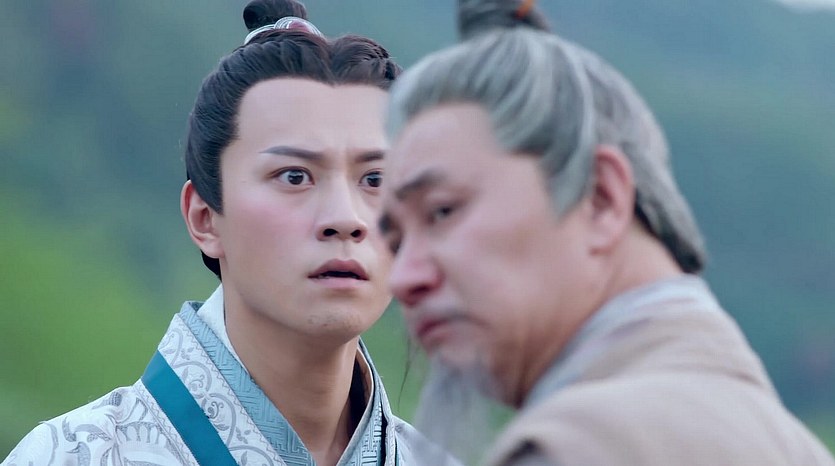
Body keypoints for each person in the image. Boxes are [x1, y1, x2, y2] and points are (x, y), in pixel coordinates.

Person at [377, 0, 835, 464]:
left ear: (600, 198)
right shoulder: (793, 446)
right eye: (396, 242)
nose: (404, 278)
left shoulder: (575, 448)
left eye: (442, 211)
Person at [2, 1, 453, 465]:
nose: (345, 217)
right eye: (294, 176)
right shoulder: (74, 455)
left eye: (376, 179)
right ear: (204, 217)